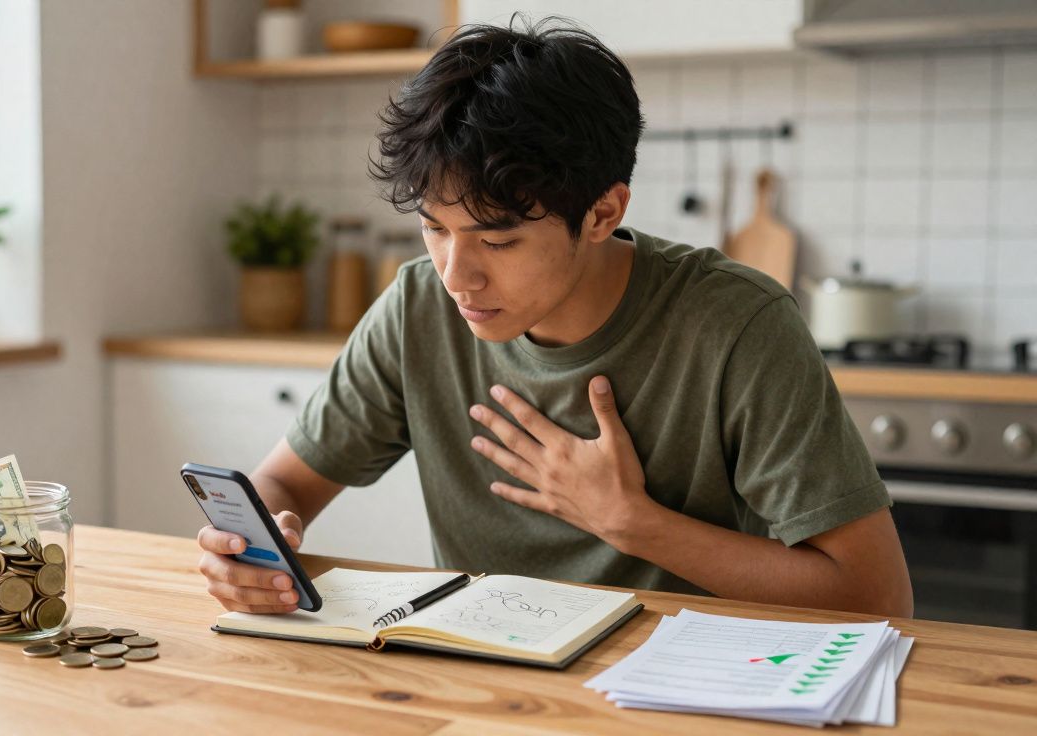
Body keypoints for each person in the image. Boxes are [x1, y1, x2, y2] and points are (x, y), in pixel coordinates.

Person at [196, 18, 913, 618]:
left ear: (603, 213)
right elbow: (283, 485)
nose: (456, 274)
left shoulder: (738, 326)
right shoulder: (417, 306)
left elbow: (877, 598)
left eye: (498, 239)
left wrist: (635, 524)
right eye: (434, 228)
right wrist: (255, 546)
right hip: (484, 689)